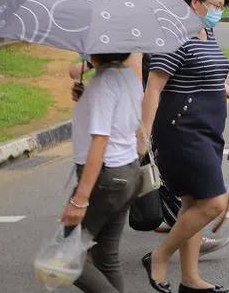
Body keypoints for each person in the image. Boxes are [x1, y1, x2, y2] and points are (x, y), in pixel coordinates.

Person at [142, 0, 229, 292]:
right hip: (181, 132)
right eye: (216, 6)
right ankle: (160, 255)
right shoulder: (174, 36)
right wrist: (143, 132)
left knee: (192, 204)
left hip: (208, 132)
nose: (218, 12)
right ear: (196, 3)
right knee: (214, 203)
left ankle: (190, 280)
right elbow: (154, 86)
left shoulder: (207, 33)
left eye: (221, 7)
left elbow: (211, 79)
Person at [62, 52, 143, 292]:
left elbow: (100, 142)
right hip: (127, 174)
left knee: (65, 257)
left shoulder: (102, 85)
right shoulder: (127, 76)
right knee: (107, 258)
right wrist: (87, 98)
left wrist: (80, 199)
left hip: (105, 178)